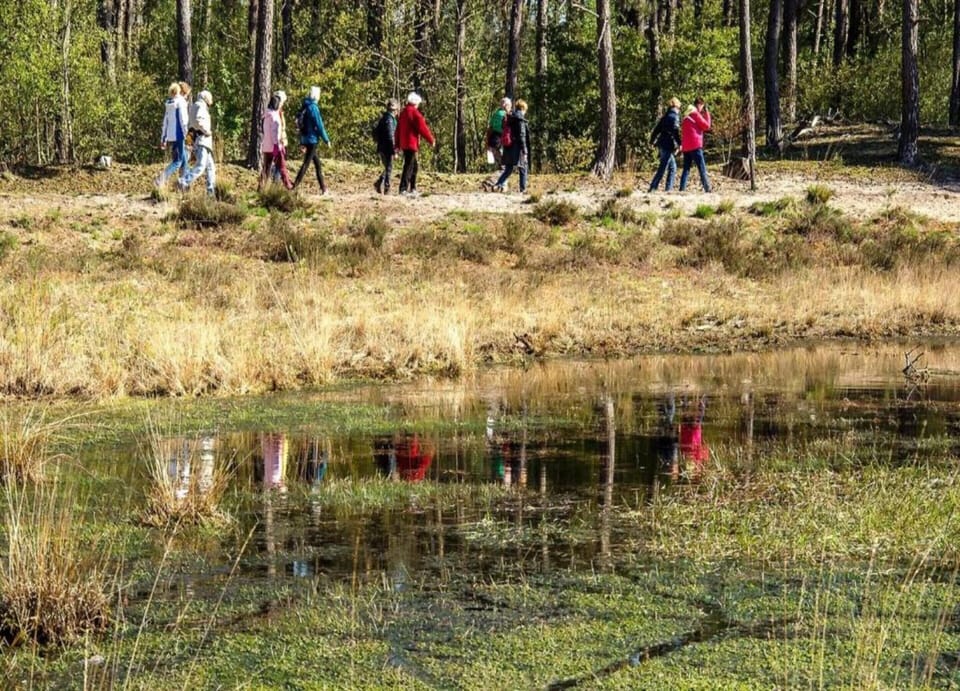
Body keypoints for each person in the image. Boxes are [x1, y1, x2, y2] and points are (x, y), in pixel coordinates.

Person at [394, 92, 435, 197]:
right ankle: (403, 188)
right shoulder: (415, 113)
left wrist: (397, 145)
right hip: (411, 143)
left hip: (404, 143)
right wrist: (431, 140)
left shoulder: (403, 113)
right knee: (409, 166)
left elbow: (397, 130)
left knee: (414, 166)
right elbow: (423, 129)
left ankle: (412, 188)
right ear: (416, 103)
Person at [292, 86, 331, 194]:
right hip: (312, 139)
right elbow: (319, 125)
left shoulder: (305, 105)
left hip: (305, 138)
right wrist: (326, 139)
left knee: (317, 164)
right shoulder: (313, 107)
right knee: (306, 164)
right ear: (316, 96)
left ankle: (323, 188)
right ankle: (294, 187)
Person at [178, 90, 216, 196]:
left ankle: (211, 192)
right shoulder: (201, 106)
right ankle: (183, 181)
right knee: (200, 166)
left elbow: (192, 124)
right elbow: (199, 120)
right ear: (206, 98)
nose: (211, 101)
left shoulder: (195, 105)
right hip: (203, 140)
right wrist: (206, 131)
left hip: (200, 140)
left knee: (210, 167)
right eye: (210, 98)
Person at [155, 82, 189, 188]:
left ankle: (184, 184)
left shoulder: (169, 103)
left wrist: (163, 138)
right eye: (187, 93)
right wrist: (187, 135)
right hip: (180, 135)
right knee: (178, 161)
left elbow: (165, 121)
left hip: (171, 135)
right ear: (183, 92)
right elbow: (183, 120)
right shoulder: (181, 102)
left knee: (184, 160)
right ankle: (161, 179)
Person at [492, 98, 530, 193]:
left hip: (508, 146)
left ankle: (498, 184)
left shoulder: (509, 117)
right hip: (517, 147)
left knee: (508, 169)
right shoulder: (520, 119)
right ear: (523, 109)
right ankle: (523, 189)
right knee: (523, 167)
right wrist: (524, 150)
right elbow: (522, 135)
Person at [647, 97, 682, 192]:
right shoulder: (674, 117)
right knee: (663, 168)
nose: (679, 110)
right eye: (679, 108)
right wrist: (680, 143)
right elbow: (675, 132)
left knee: (672, 167)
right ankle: (653, 188)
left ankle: (668, 189)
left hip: (662, 144)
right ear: (676, 107)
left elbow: (657, 129)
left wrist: (652, 141)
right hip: (668, 145)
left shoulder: (665, 116)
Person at [260, 91, 293, 190]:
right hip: (275, 147)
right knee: (282, 167)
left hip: (266, 146)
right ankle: (289, 186)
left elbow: (264, 131)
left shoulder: (266, 116)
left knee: (266, 169)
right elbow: (275, 133)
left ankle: (261, 187)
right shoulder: (275, 117)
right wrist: (277, 145)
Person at [679, 97, 712, 193]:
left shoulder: (686, 116)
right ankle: (707, 188)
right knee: (702, 168)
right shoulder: (696, 114)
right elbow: (707, 126)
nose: (702, 108)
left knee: (686, 169)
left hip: (686, 146)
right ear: (700, 105)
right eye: (702, 106)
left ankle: (682, 189)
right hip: (695, 145)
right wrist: (707, 114)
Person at [481, 97, 511, 190]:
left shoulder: (495, 114)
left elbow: (489, 129)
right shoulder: (506, 116)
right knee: (504, 167)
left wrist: (487, 143)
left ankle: (502, 186)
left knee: (502, 165)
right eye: (509, 105)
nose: (510, 107)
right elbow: (507, 131)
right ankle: (489, 182)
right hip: (500, 142)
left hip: (493, 142)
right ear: (506, 105)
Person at [373, 98, 399, 194]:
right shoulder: (390, 121)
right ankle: (386, 188)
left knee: (387, 167)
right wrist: (394, 150)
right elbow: (390, 136)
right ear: (394, 110)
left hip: (381, 147)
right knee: (389, 168)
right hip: (387, 148)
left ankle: (379, 182)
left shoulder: (384, 118)